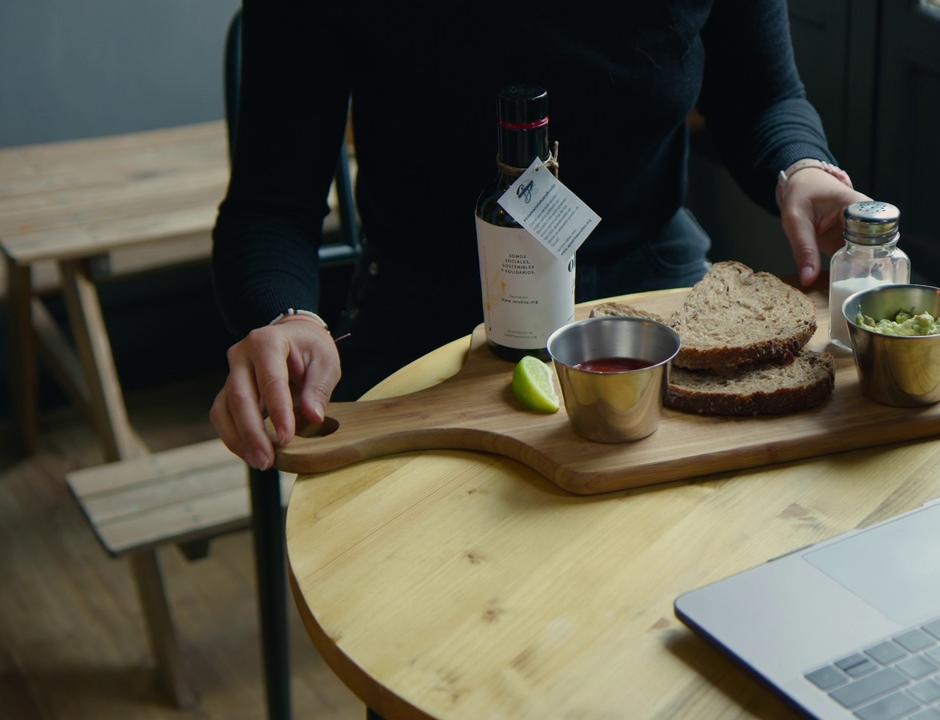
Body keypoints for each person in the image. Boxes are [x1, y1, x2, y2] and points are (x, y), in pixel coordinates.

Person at [210, 1, 870, 471]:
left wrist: (801, 166)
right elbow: (270, 205)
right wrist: (284, 315)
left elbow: (760, 96)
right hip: (431, 308)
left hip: (654, 282)